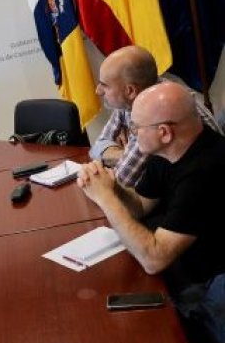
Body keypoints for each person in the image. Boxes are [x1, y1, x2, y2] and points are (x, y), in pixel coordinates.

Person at [78, 82, 225, 286]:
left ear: (164, 132)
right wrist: (113, 187)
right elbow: (140, 206)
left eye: (136, 127)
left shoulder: (205, 170)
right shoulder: (167, 152)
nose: (132, 135)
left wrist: (105, 198)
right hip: (182, 265)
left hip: (208, 282)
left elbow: (154, 260)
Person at [89, 45, 222, 187]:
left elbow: (122, 180)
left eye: (105, 85)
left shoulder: (158, 112)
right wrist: (124, 154)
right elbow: (97, 147)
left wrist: (112, 155)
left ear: (130, 91)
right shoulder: (132, 98)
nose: (98, 91)